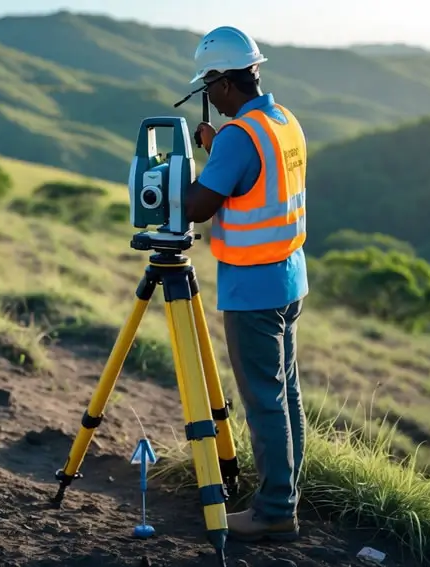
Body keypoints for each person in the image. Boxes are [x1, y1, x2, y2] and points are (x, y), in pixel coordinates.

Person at [183, 26, 309, 543]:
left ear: (224, 83)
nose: (210, 99)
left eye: (208, 88)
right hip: (289, 276)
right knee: (287, 395)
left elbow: (198, 207)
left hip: (252, 287)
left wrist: (174, 176)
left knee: (263, 402)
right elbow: (258, 178)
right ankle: (286, 495)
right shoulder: (282, 122)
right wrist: (219, 149)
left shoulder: (238, 137)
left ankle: (275, 511)